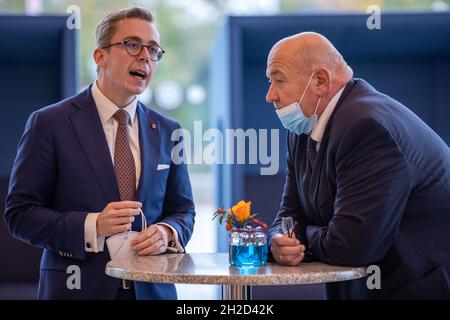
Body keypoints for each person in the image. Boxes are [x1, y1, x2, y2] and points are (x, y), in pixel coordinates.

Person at [4, 6, 195, 300]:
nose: (145, 56)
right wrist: (92, 225)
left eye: (153, 49)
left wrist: (167, 233)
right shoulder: (50, 123)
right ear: (100, 56)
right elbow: (20, 214)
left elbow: (183, 210)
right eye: (133, 45)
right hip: (75, 288)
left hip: (153, 291)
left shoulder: (169, 130)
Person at [266, 32, 450, 299]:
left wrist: (302, 237)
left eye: (278, 80)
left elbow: (352, 246)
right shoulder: (301, 130)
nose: (270, 95)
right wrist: (278, 241)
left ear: (320, 80)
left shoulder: (367, 126)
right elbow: (288, 216)